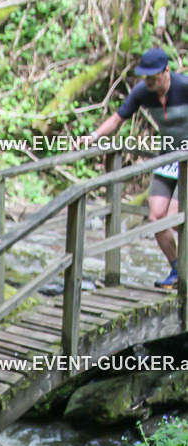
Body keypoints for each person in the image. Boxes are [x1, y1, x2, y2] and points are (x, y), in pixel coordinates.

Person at [84, 47, 188, 289]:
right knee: (156, 217)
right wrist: (94, 136)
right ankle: (176, 269)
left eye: (153, 76)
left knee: (177, 218)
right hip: (166, 158)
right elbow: (118, 119)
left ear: (167, 71)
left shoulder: (183, 87)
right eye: (145, 76)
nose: (148, 81)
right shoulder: (143, 92)